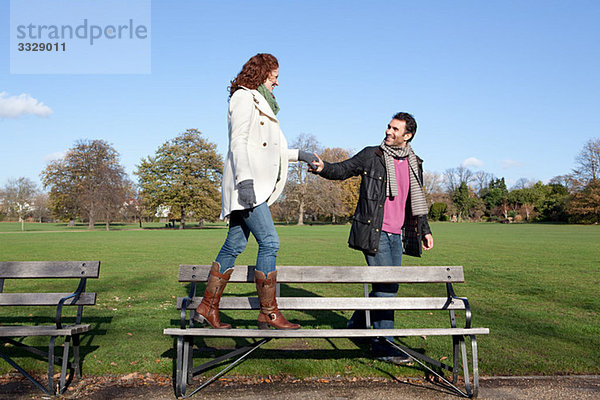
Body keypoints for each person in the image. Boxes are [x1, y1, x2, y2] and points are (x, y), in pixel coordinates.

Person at [194, 53, 316, 330]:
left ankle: (206, 308)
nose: (277, 83)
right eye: (274, 77)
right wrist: (245, 182)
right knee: (270, 242)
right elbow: (238, 141)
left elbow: (270, 149)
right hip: (247, 185)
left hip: (252, 186)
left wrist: (303, 154)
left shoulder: (262, 103)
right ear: (261, 75)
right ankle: (268, 313)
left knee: (235, 245)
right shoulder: (243, 98)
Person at [310, 112, 434, 363]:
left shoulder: (414, 162)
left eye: (395, 130)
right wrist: (324, 168)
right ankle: (384, 345)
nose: (389, 132)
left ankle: (356, 324)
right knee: (388, 287)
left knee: (384, 286)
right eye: (389, 127)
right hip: (374, 232)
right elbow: (343, 169)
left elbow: (416, 200)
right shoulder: (372, 155)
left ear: (407, 136)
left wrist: (425, 229)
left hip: (397, 235)